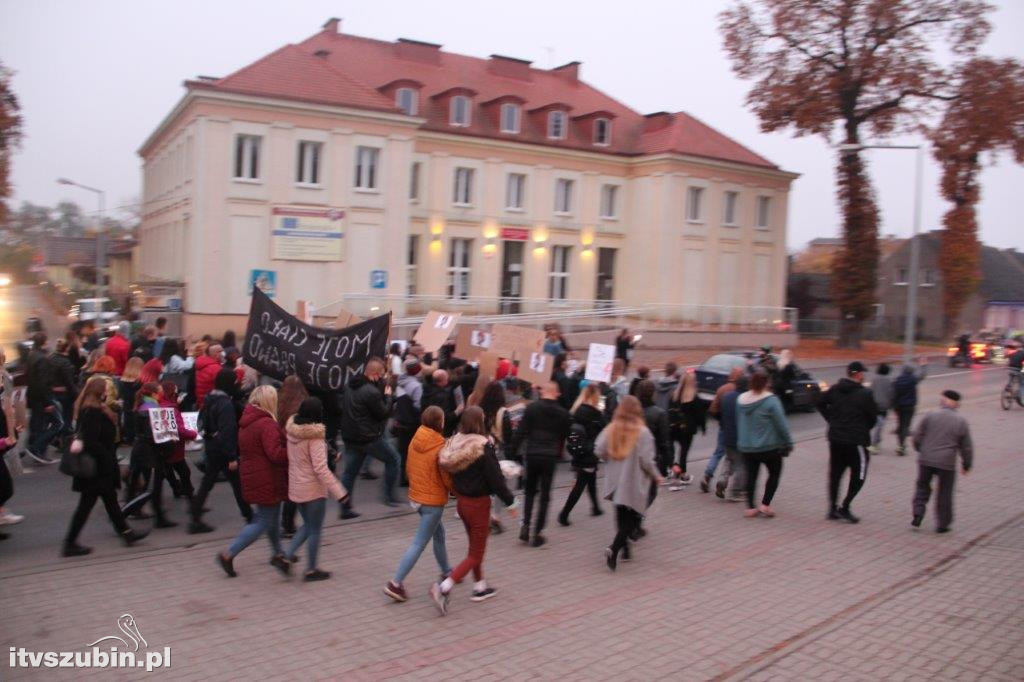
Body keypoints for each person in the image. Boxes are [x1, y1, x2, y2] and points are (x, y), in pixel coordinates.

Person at [431, 407, 515, 614]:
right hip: (479, 504)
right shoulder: (483, 447)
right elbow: (496, 480)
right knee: (476, 553)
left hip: (462, 503)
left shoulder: (455, 444)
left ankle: (480, 587)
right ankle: (444, 588)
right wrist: (511, 503)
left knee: (474, 548)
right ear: (480, 422)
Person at [62, 377, 149, 556]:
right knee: (87, 506)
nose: (107, 394)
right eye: (106, 391)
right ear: (101, 392)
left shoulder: (90, 407)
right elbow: (91, 441)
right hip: (96, 468)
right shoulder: (92, 411)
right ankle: (70, 543)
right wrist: (107, 459)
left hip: (98, 467)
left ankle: (126, 533)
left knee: (110, 501)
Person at [217, 386, 291, 578]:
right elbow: (275, 454)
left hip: (254, 475)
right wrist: (292, 451)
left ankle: (278, 554)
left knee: (271, 518)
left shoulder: (247, 422)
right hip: (268, 476)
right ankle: (229, 553)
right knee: (263, 521)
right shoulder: (267, 424)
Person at [384, 406, 453, 602]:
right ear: (439, 423)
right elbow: (446, 476)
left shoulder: (417, 437)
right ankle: (395, 583)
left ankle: (447, 571)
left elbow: (408, 466)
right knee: (419, 543)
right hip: (432, 501)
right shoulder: (440, 446)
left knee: (439, 533)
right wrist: (455, 490)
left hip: (417, 497)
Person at [284, 397, 348, 581]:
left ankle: (287, 557)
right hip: (312, 489)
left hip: (297, 485)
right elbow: (320, 469)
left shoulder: (292, 432)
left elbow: (302, 460)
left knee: (308, 526)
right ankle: (311, 569)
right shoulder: (315, 437)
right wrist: (340, 492)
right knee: (315, 530)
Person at [596, 395, 661, 571]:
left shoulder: (612, 428)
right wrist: (656, 475)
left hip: (615, 479)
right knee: (633, 516)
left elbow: (599, 449)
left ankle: (624, 550)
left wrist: (608, 459)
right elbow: (647, 460)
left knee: (620, 513)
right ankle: (615, 548)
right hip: (633, 480)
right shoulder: (643, 432)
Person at [189, 368, 251, 533]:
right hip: (223, 450)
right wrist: (231, 456)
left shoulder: (210, 398)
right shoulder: (225, 404)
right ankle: (249, 516)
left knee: (208, 482)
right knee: (237, 484)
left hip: (212, 446)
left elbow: (202, 423)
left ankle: (195, 515)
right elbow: (228, 431)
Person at [510, 380, 571, 547]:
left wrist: (512, 452)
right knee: (544, 496)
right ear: (556, 393)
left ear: (542, 392)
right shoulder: (563, 413)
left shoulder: (531, 409)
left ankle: (525, 526)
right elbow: (566, 435)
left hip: (532, 453)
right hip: (550, 456)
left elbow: (521, 432)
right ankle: (537, 533)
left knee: (529, 492)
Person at [339, 358, 401, 519]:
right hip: (368, 438)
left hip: (351, 436)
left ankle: (345, 508)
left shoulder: (350, 386)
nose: (382, 378)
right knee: (394, 459)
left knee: (349, 473)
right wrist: (388, 396)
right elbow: (383, 412)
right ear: (374, 374)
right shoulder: (371, 392)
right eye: (380, 375)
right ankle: (389, 496)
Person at [817, 361, 878, 523]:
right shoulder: (865, 394)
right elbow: (873, 417)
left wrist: (831, 419)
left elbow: (820, 402)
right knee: (860, 474)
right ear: (858, 375)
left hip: (836, 438)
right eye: (862, 373)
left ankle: (832, 508)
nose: (863, 376)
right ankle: (845, 507)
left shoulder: (835, 389)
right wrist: (863, 427)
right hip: (856, 440)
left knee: (835, 474)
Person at [911, 390, 973, 533]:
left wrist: (921, 449)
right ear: (956, 404)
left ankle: (918, 512)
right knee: (945, 492)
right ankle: (942, 524)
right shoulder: (961, 421)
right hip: (947, 463)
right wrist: (966, 464)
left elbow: (917, 436)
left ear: (944, 401)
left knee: (922, 486)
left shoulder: (931, 415)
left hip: (926, 459)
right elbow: (966, 446)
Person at [737, 371, 793, 518]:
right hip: (769, 447)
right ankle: (765, 505)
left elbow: (739, 421)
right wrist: (788, 442)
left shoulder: (741, 400)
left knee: (751, 476)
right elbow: (782, 425)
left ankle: (750, 508)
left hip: (747, 447)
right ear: (766, 383)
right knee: (774, 474)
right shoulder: (771, 401)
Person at [558, 383, 607, 525]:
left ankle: (596, 507)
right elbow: (605, 429)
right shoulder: (596, 413)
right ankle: (564, 514)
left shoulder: (576, 410)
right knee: (581, 483)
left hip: (578, 450)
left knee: (590, 478)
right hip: (590, 452)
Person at [276, 375, 309, 537]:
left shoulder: (279, 403)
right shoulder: (302, 407)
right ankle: (290, 524)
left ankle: (287, 524)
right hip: (298, 449)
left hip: (285, 447)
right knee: (298, 490)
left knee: (291, 489)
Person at [703, 366, 744, 492]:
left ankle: (707, 476)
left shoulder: (722, 389)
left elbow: (713, 409)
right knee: (734, 457)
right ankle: (732, 485)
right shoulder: (742, 392)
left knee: (718, 453)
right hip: (738, 430)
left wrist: (721, 420)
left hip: (723, 428)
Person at [25, 332, 63, 464]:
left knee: (37, 424)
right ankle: (36, 447)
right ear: (44, 342)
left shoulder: (31, 355)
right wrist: (48, 402)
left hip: (33, 397)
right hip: (43, 398)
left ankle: (34, 448)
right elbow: (43, 383)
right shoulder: (42, 359)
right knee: (58, 423)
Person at [159, 380, 197, 499]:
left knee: (168, 469)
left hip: (163, 446)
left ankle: (177, 488)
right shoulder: (171, 409)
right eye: (176, 393)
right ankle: (188, 493)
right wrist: (193, 434)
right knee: (184, 471)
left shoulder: (159, 405)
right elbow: (179, 429)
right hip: (174, 447)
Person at [667, 371, 706, 486]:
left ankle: (673, 467)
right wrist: (703, 428)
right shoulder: (694, 398)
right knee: (684, 451)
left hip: (674, 427)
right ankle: (683, 473)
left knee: (672, 448)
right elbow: (700, 415)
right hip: (687, 429)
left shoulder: (674, 395)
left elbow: (669, 411)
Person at [391, 357, 424, 487]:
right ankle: (409, 477)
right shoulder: (416, 386)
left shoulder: (400, 382)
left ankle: (402, 477)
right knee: (412, 451)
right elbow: (418, 406)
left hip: (401, 421)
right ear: (416, 370)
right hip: (412, 423)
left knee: (403, 451)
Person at [717, 375, 749, 501]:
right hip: (740, 438)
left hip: (727, 435)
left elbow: (720, 414)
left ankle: (722, 480)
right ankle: (735, 492)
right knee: (741, 465)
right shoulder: (744, 400)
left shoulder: (727, 397)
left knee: (729, 460)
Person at [637, 380, 672, 478]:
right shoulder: (659, 414)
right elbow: (664, 441)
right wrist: (670, 463)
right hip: (651, 457)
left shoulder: (632, 411)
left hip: (633, 458)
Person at [893, 359, 928, 455]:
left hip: (899, 406)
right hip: (909, 406)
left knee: (900, 425)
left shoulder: (897, 380)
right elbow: (922, 375)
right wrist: (923, 365)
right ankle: (902, 446)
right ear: (911, 371)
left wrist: (894, 406)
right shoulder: (913, 380)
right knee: (906, 425)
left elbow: (894, 394)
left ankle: (900, 444)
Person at [50, 338, 79, 444]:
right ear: (66, 348)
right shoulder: (66, 363)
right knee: (67, 418)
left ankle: (58, 438)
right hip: (65, 394)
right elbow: (69, 382)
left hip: (53, 392)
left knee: (58, 417)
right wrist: (77, 395)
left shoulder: (51, 358)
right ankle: (63, 440)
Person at [422, 369, 458, 437]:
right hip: (439, 431)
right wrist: (457, 412)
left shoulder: (427, 389)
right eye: (446, 379)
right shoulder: (441, 396)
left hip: (427, 428)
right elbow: (444, 417)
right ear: (443, 381)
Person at [119, 357, 144, 446]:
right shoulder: (141, 382)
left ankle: (128, 438)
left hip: (127, 406)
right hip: (139, 407)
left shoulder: (122, 381)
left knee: (127, 419)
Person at [869, 363, 894, 452]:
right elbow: (891, 394)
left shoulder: (874, 379)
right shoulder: (889, 380)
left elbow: (871, 391)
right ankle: (875, 443)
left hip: (874, 405)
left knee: (877, 425)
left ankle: (876, 442)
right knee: (880, 425)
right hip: (884, 406)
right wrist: (891, 405)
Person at [193, 343, 223, 410]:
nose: (223, 354)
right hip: (213, 405)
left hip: (202, 403)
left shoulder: (201, 365)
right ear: (217, 354)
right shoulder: (216, 368)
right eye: (221, 351)